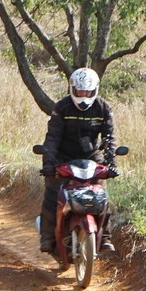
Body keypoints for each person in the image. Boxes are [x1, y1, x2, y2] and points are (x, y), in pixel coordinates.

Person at [40, 67, 118, 257]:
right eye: (80, 92)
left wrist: (111, 164)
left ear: (95, 90)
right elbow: (52, 138)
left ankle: (104, 237)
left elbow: (109, 138)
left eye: (87, 92)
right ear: (72, 88)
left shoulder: (103, 108)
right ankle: (47, 237)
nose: (83, 97)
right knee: (52, 195)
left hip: (91, 157)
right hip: (62, 157)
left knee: (102, 196)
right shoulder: (62, 107)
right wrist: (49, 164)